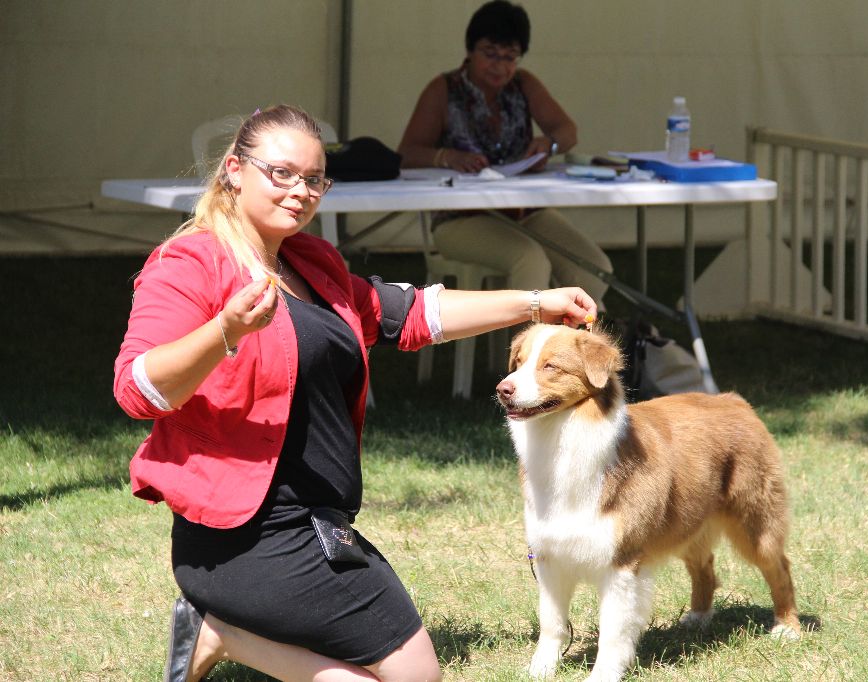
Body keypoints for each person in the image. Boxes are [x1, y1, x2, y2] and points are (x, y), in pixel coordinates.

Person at [112, 104, 596, 682]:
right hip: (240, 534)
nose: (300, 191)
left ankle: (219, 633)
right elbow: (136, 388)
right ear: (235, 171)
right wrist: (225, 332)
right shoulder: (189, 264)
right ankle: (222, 630)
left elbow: (416, 313)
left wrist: (538, 303)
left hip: (318, 520)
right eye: (281, 173)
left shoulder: (312, 262)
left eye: (315, 179)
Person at [397, 0, 613, 311]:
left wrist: (548, 145)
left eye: (510, 57)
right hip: (460, 218)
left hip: (523, 211)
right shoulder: (444, 90)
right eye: (490, 54)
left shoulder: (523, 84)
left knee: (594, 266)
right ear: (470, 51)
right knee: (530, 259)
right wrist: (447, 156)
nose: (500, 66)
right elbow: (407, 153)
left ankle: (562, 343)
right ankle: (526, 354)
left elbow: (568, 131)